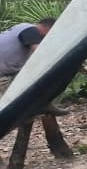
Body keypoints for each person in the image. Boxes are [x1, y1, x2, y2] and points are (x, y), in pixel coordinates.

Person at [0, 19, 74, 161]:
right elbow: (38, 53)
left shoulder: (21, 32)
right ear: (47, 29)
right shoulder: (30, 30)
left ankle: (44, 104)